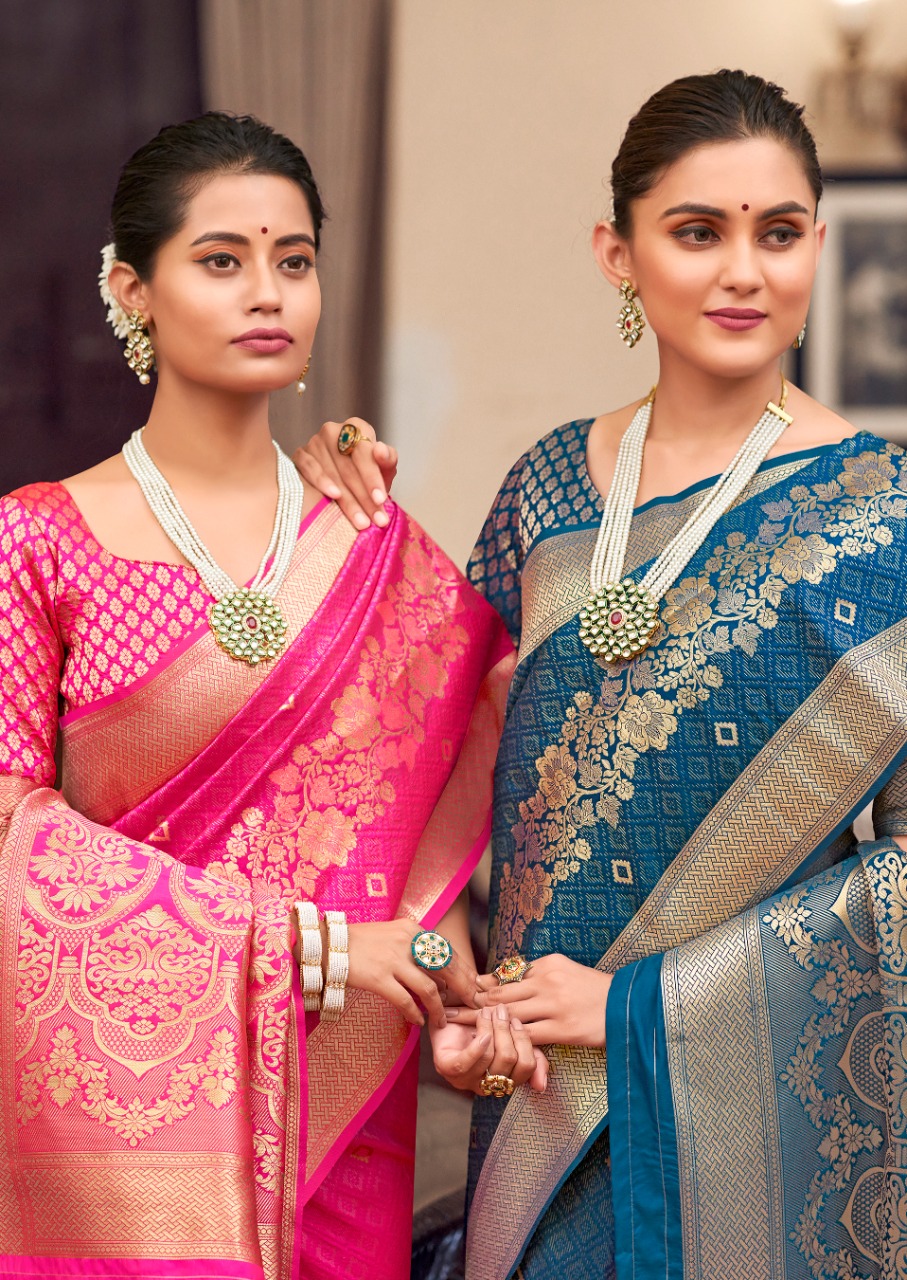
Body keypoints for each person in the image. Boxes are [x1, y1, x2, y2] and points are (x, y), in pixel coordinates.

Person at [298, 70, 907, 1277]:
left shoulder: (885, 515)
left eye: (778, 233)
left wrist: (636, 1006)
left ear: (816, 246)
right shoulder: (545, 490)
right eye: (697, 231)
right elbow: (424, 772)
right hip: (533, 1096)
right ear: (617, 254)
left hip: (760, 1138)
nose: (743, 271)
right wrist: (457, 992)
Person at [0, 112, 535, 1280]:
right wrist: (307, 943)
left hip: (343, 1108)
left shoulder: (371, 548)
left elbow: (443, 800)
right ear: (132, 290)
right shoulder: (37, 541)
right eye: (220, 259)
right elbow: (10, 846)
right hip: (124, 1130)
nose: (267, 292)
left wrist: (452, 990)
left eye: (294, 260)